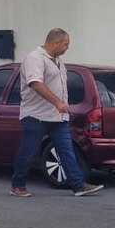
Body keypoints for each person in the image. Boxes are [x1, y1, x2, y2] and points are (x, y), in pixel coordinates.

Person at [10, 28, 103, 197]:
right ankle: (18, 185)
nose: (68, 47)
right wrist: (57, 102)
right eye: (66, 44)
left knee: (66, 150)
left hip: (57, 117)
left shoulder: (58, 61)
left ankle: (78, 185)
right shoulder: (35, 58)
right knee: (28, 151)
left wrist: (62, 106)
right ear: (56, 42)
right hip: (36, 116)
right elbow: (35, 83)